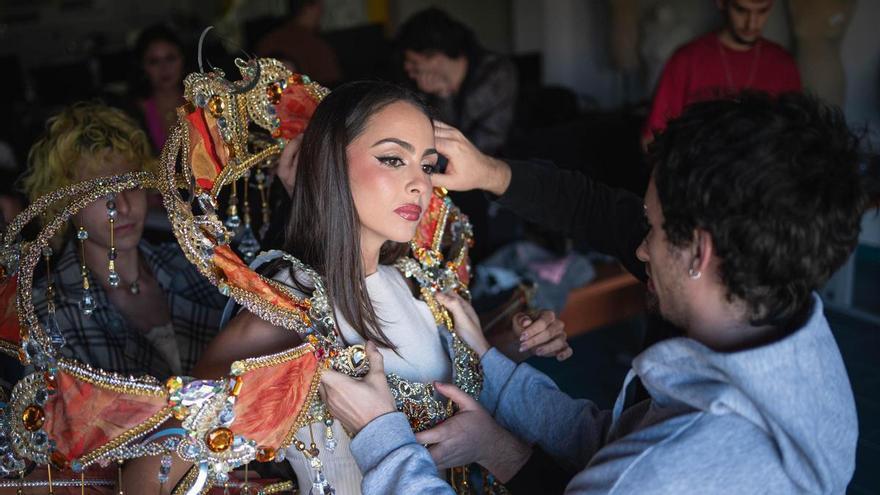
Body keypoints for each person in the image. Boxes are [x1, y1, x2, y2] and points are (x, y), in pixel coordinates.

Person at [321, 92, 866, 493]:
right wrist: (497, 374)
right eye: (393, 159)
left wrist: (382, 437)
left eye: (650, 230)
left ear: (700, 253)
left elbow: (635, 463)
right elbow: (621, 438)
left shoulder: (661, 474)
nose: (640, 251)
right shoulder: (797, 336)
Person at [124, 81, 572, 494]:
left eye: (428, 165)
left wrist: (506, 352)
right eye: (393, 159)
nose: (419, 183)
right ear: (330, 162)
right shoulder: (290, 307)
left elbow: (441, 388)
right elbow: (150, 476)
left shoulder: (422, 285)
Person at [19, 102, 227, 378]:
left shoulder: (192, 263)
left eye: (131, 184)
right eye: (101, 192)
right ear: (65, 203)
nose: (124, 206)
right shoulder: (47, 311)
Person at [394, 8, 519, 262]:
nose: (409, 69)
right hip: (447, 173)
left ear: (436, 57)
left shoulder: (496, 73)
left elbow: (483, 144)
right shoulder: (422, 87)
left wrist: (445, 97)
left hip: (497, 166)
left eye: (414, 62)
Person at [643, 0, 801, 143]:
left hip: (762, 170)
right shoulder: (687, 59)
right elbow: (652, 138)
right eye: (741, 10)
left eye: (762, 11)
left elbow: (796, 137)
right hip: (698, 169)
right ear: (721, 3)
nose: (751, 24)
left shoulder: (783, 64)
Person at [255, 0, 342, 86]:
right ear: (309, 8)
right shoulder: (316, 46)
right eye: (320, 6)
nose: (322, 11)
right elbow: (333, 89)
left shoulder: (268, 41)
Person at [129, 24, 187, 153]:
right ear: (143, 67)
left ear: (183, 60)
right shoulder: (135, 115)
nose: (164, 68)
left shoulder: (202, 102)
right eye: (154, 61)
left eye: (170, 58)